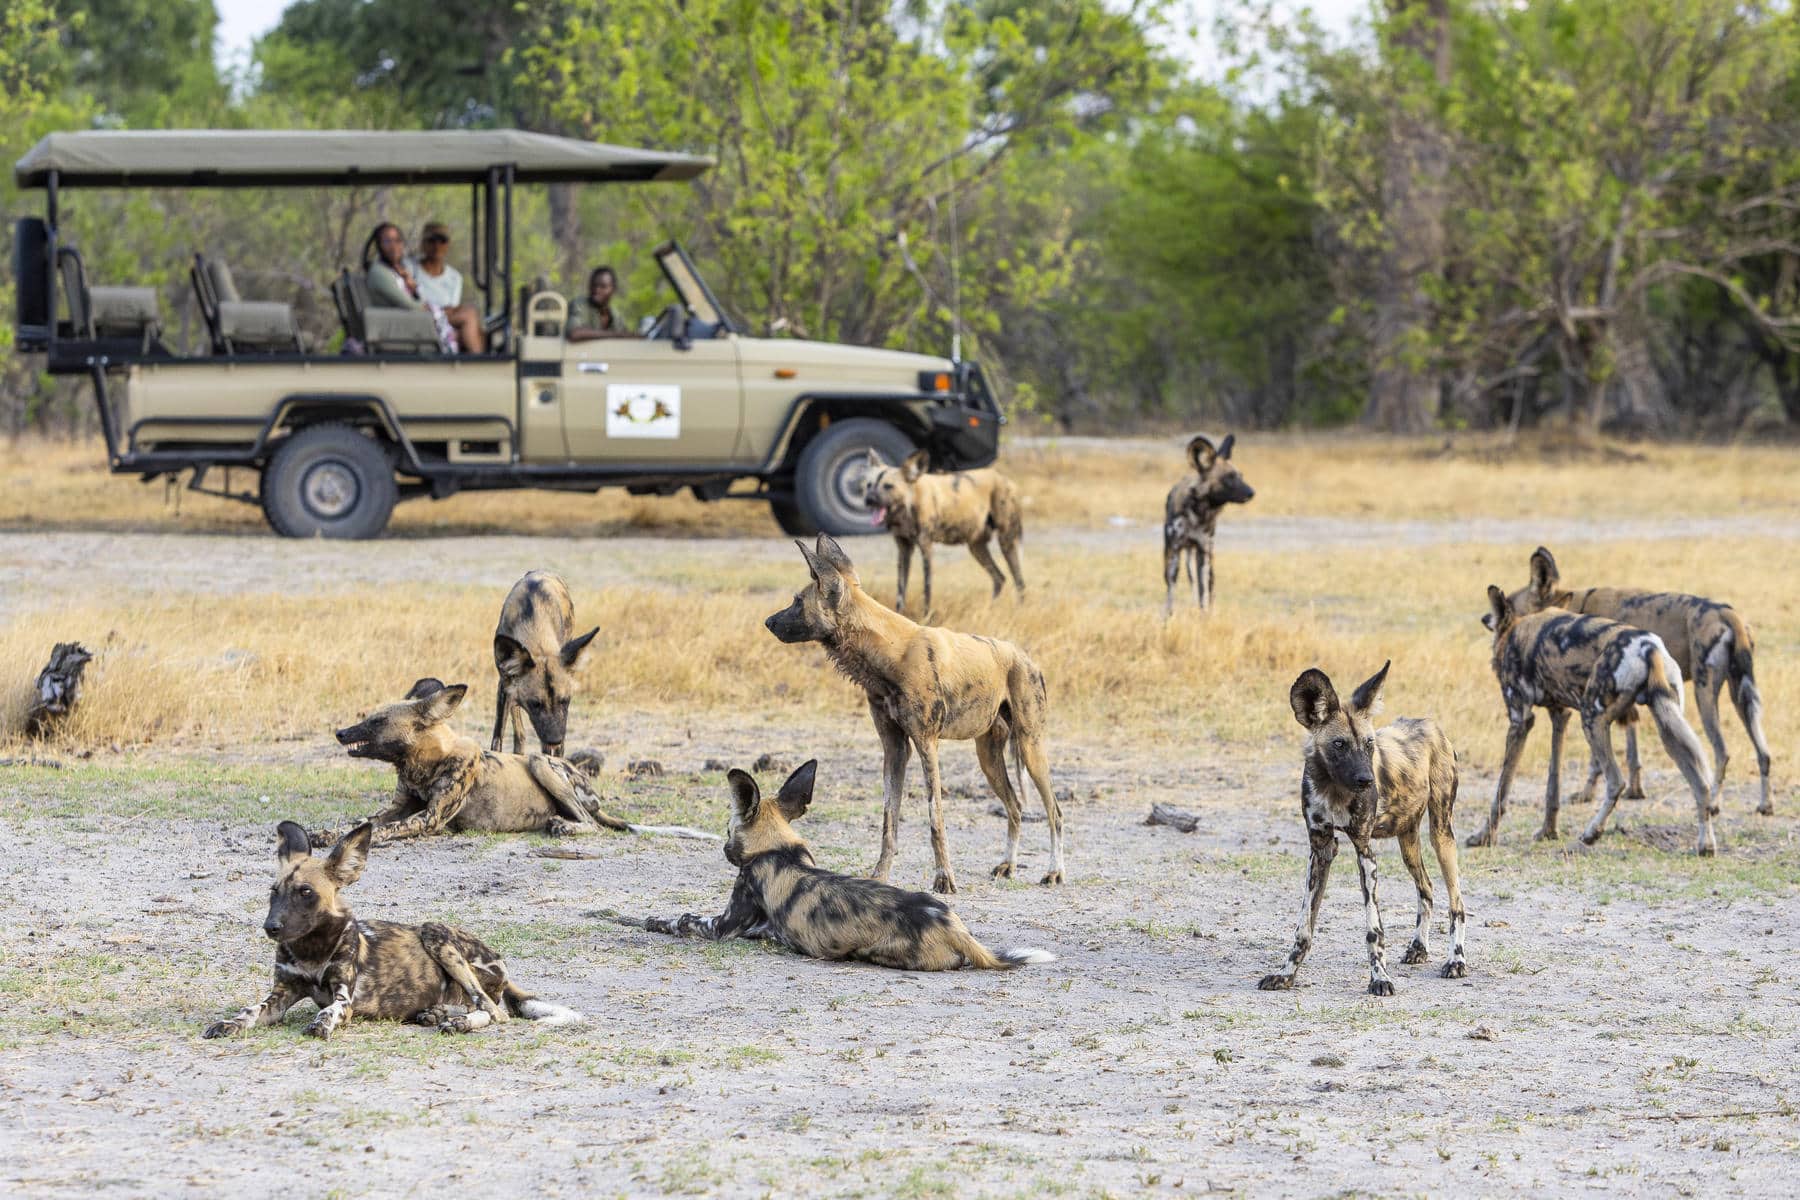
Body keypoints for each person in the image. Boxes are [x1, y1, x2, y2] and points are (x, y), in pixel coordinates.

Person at [363, 222, 484, 354]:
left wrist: (412, 285)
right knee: (469, 315)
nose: (394, 246)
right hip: (406, 322)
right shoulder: (380, 272)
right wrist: (432, 308)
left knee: (473, 321)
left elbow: (414, 299)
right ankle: (479, 361)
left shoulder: (394, 270)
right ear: (379, 245)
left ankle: (477, 358)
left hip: (416, 317)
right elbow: (410, 305)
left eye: (397, 240)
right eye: (387, 241)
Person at [567, 266, 632, 341]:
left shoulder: (615, 315)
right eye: (594, 285)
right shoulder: (579, 304)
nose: (597, 290)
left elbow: (625, 335)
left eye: (603, 286)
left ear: (613, 289)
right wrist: (616, 334)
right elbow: (575, 333)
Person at [414, 221, 463, 309]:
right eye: (432, 240)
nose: (437, 246)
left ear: (448, 245)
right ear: (423, 244)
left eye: (442, 241)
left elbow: (452, 309)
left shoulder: (455, 277)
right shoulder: (408, 268)